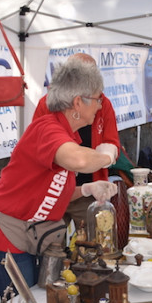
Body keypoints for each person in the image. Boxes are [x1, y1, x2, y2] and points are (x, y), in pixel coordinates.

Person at [0, 57, 119, 295]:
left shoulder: (66, 133)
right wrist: (107, 156)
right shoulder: (47, 129)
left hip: (30, 234)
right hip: (5, 236)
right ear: (77, 102)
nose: (99, 105)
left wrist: (85, 190)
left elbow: (52, 190)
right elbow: (79, 160)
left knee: (37, 301)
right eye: (97, 99)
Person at [32, 52, 120, 226]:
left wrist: (90, 186)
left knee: (98, 242)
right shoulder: (47, 110)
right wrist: (106, 157)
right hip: (52, 193)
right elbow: (75, 159)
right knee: (51, 246)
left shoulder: (103, 104)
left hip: (87, 191)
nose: (99, 104)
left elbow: (112, 142)